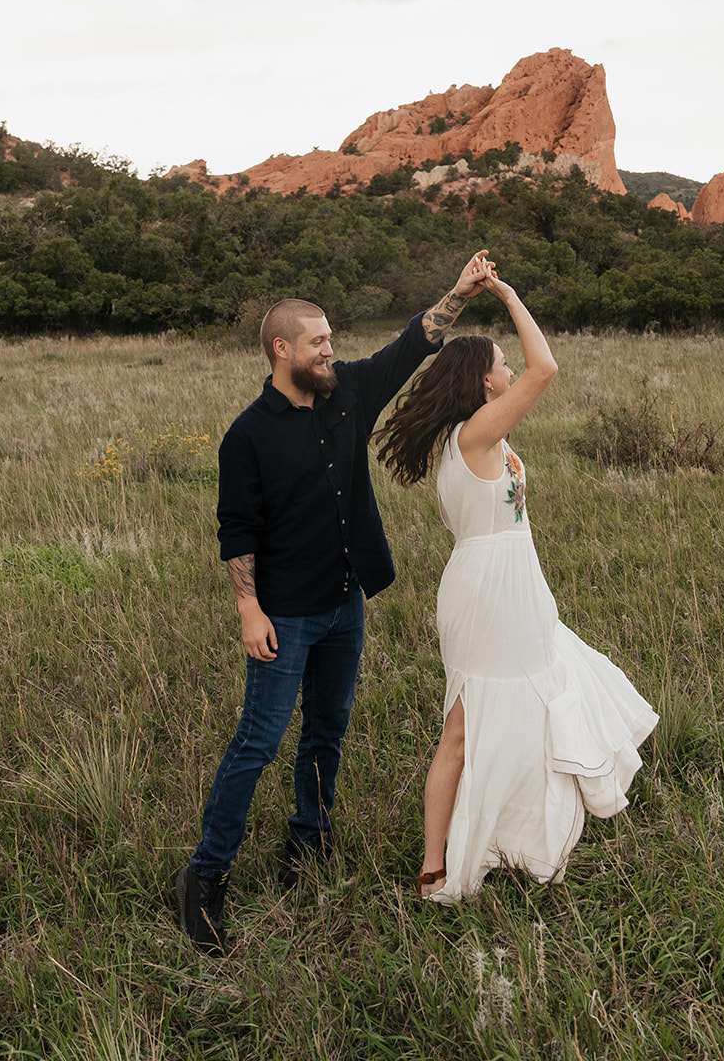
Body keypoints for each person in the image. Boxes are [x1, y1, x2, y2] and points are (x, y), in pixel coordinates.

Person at [176, 252, 492, 952]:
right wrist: (248, 609)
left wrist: (461, 291)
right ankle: (205, 876)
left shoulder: (348, 391)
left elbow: (414, 342)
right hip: (284, 612)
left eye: (331, 341)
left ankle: (306, 847)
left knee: (326, 732)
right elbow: (237, 528)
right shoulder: (247, 434)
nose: (331, 350)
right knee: (257, 743)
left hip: (344, 603)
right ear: (281, 349)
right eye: (318, 342)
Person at [378, 260, 658, 900]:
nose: (510, 372)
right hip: (487, 594)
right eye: (500, 365)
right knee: (464, 727)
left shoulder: (475, 438)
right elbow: (547, 369)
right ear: (483, 382)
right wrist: (504, 294)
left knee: (524, 707)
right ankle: (434, 863)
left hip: (512, 585)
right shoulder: (474, 435)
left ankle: (512, 836)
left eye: (507, 364)